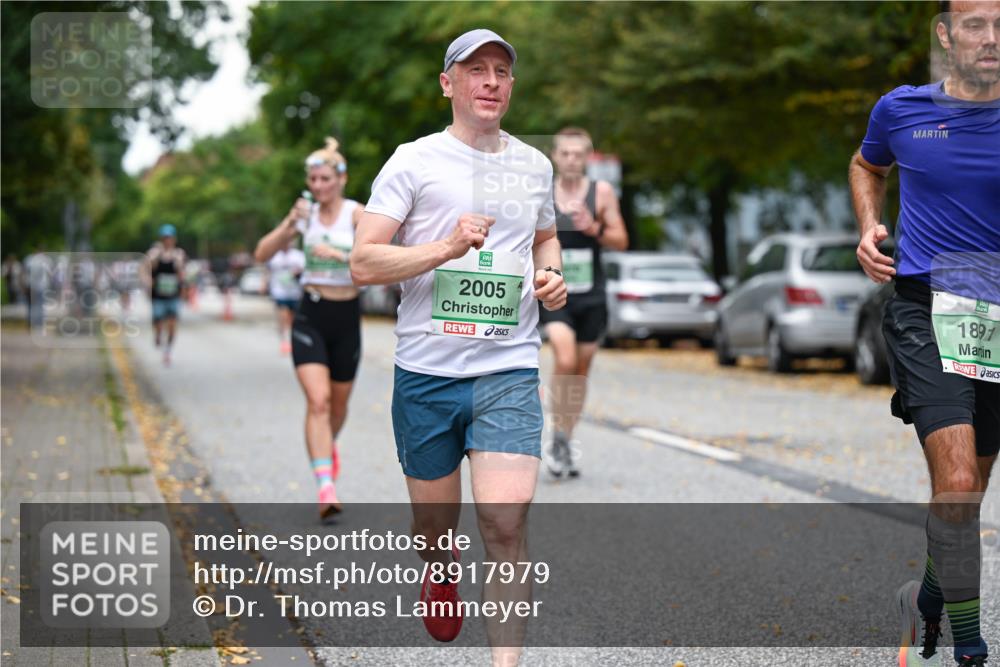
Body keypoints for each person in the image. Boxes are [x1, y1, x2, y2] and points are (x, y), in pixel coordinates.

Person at [351, 28, 566, 662]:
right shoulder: (412, 161)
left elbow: (547, 239)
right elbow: (363, 263)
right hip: (426, 374)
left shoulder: (534, 164)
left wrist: (554, 277)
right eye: (477, 71)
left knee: (504, 523)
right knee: (435, 529)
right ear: (449, 84)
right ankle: (439, 567)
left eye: (502, 71)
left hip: (508, 369)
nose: (491, 82)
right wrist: (445, 247)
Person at [849, 2, 999, 665]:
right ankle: (971, 648)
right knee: (959, 476)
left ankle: (925, 599)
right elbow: (865, 165)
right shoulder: (902, 110)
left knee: (962, 497)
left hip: (994, 317)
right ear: (945, 34)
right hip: (922, 309)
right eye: (975, 24)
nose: (991, 38)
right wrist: (867, 226)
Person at [254, 137, 363, 519]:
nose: (318, 187)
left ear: (341, 179)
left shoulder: (356, 214)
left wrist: (341, 255)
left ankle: (325, 448)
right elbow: (261, 254)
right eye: (313, 179)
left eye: (325, 179)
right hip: (310, 315)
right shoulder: (305, 217)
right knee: (317, 401)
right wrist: (289, 225)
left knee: (337, 405)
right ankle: (325, 487)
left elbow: (379, 260)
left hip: (347, 317)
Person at [539, 127, 628, 478]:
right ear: (555, 156)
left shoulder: (601, 192)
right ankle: (554, 429)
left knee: (581, 367)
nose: (572, 159)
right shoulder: (543, 191)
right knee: (564, 354)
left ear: (587, 158)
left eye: (579, 154)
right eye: (566, 153)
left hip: (591, 293)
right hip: (556, 288)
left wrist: (594, 228)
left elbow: (621, 240)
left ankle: (564, 437)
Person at [146, 225, 187, 367]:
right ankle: (157, 335)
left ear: (174, 239)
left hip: (173, 294)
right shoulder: (154, 253)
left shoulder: (179, 253)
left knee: (172, 325)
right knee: (158, 321)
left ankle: (167, 351)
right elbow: (149, 267)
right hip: (158, 295)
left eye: (170, 238)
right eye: (165, 238)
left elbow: (181, 272)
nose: (167, 241)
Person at [266, 238, 306, 355]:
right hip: (279, 291)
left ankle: (292, 338)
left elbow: (305, 270)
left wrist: (296, 273)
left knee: (293, 319)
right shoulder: (274, 256)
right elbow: (268, 270)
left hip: (295, 292)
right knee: (283, 315)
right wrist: (264, 283)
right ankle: (284, 340)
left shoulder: (298, 256)